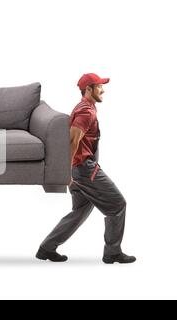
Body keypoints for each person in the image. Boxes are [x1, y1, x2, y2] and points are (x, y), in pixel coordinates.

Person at [36, 73, 136, 264]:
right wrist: (66, 172)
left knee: (81, 210)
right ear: (88, 89)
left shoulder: (86, 108)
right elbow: (72, 140)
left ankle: (47, 248)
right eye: (99, 86)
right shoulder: (85, 112)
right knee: (117, 205)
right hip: (83, 169)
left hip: (77, 169)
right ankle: (113, 252)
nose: (103, 90)